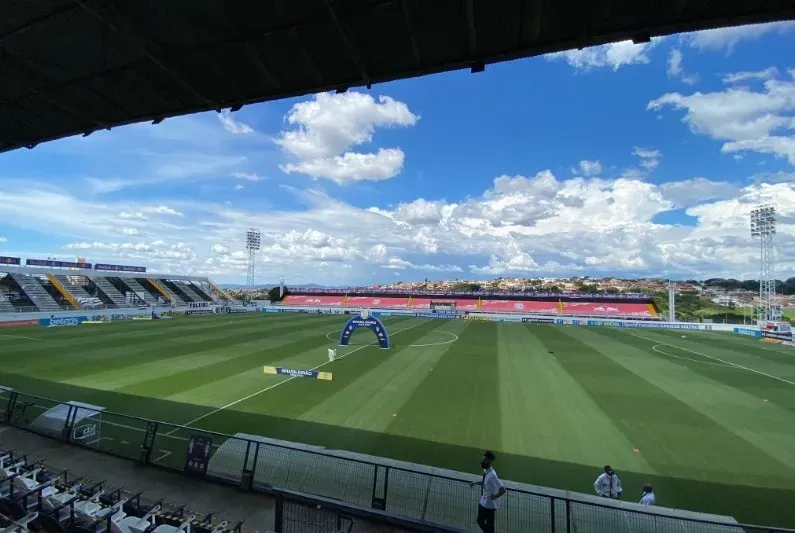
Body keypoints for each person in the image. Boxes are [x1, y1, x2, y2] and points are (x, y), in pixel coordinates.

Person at [468, 451, 506, 533]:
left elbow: (503, 490)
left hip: (489, 506)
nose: (483, 461)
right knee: (481, 522)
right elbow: (484, 482)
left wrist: (495, 496)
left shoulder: (493, 475)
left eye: (485, 459)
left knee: (488, 525)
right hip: (483, 502)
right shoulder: (485, 470)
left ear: (490, 461)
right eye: (483, 459)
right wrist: (474, 483)